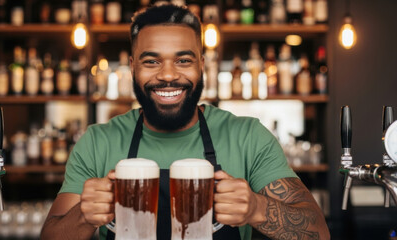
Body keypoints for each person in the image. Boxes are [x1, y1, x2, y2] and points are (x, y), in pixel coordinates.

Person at [41, 4, 330, 240]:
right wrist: (83, 216)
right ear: (132, 67)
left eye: (183, 61)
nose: (168, 75)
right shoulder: (98, 141)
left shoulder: (247, 136)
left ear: (202, 65)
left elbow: (318, 232)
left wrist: (257, 208)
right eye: (151, 61)